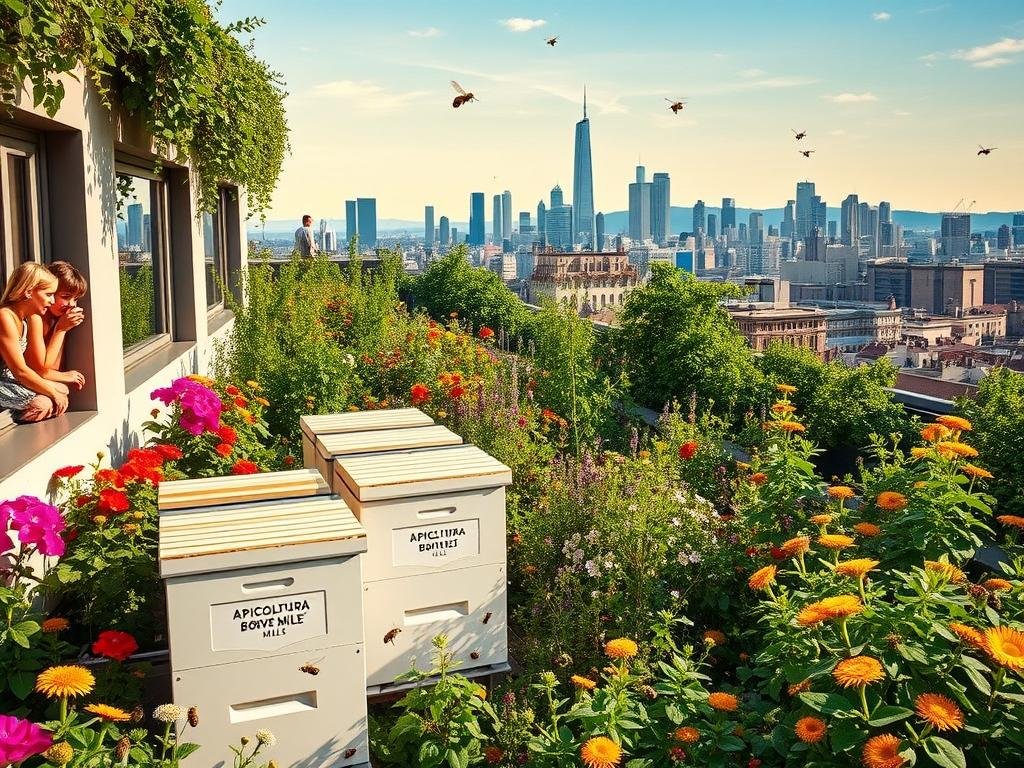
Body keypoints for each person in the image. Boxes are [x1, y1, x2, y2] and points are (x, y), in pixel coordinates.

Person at [0, 263, 70, 422]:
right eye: (49, 294)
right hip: (4, 381)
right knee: (43, 404)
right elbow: (20, 371)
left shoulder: (23, 321)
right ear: (29, 292)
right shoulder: (5, 316)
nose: (52, 301)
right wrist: (52, 393)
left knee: (63, 389)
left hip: (9, 379)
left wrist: (55, 391)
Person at [25, 261, 88, 392]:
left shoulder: (56, 318)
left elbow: (51, 368)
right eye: (65, 297)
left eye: (76, 299)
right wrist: (61, 329)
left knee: (62, 391)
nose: (72, 304)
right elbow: (40, 368)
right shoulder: (35, 317)